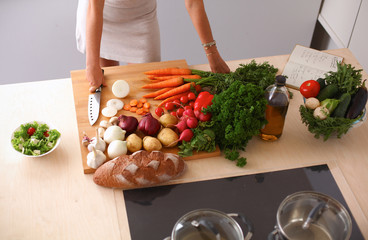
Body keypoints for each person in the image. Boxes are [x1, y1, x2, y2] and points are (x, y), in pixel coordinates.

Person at [76, 0, 230, 93]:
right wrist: (92, 64)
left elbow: (193, 3)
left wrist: (212, 54)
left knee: (145, 86)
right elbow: (94, 9)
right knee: (105, 87)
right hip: (101, 15)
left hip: (141, 16)